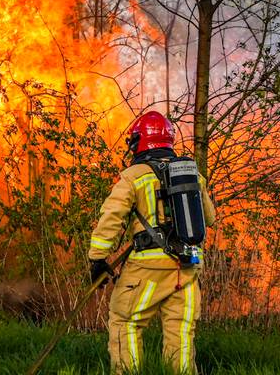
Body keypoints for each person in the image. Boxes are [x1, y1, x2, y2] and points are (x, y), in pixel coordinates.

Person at [88, 111, 217, 374]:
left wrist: (98, 257)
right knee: (180, 330)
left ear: (139, 141)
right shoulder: (191, 173)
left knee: (126, 322)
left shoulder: (134, 175)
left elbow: (112, 216)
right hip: (188, 267)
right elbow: (210, 219)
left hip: (148, 267)